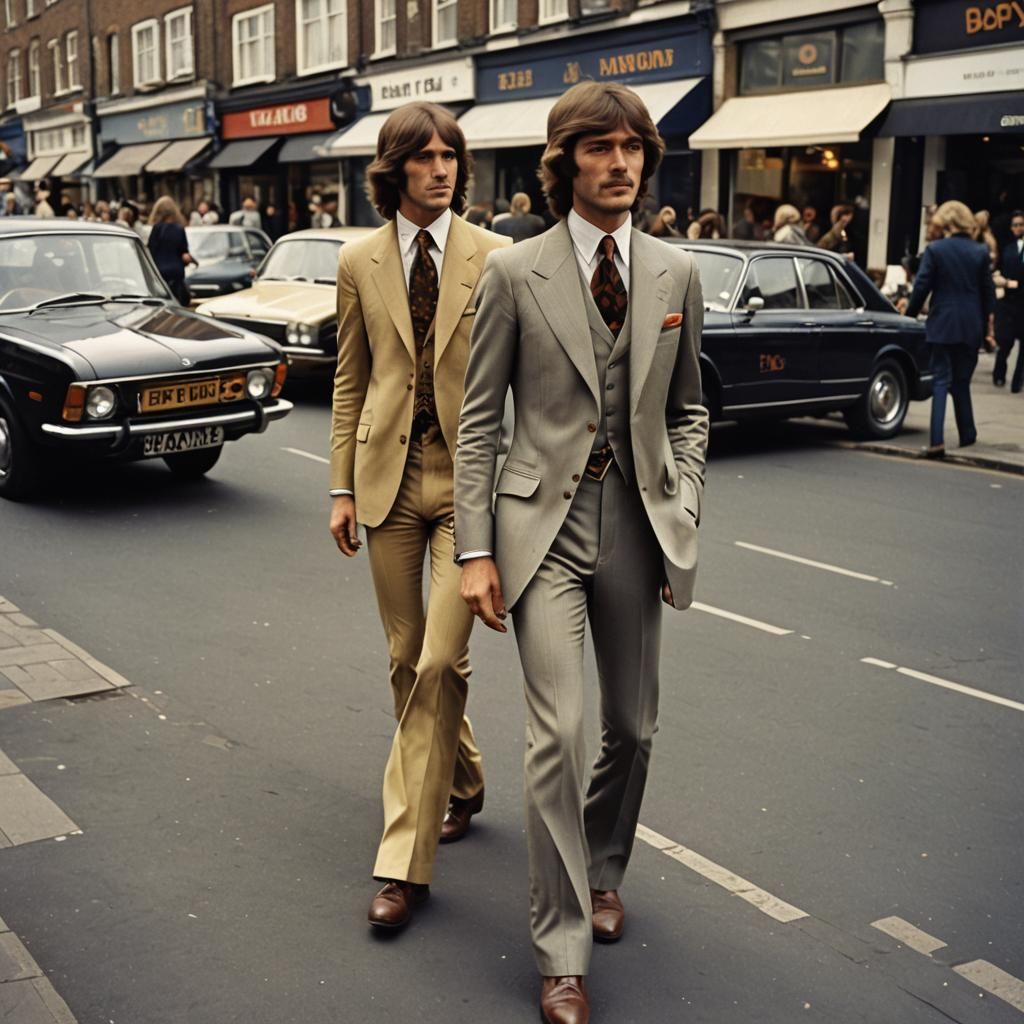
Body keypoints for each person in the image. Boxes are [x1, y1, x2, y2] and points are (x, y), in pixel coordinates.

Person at [455, 81, 708, 1024]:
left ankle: (605, 867)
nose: (621, 164)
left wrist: (685, 496)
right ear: (564, 163)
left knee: (633, 730)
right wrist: (476, 549)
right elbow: (480, 425)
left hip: (638, 526)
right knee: (556, 736)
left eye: (634, 148)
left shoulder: (676, 275)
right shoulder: (517, 273)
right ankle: (561, 949)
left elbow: (690, 410)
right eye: (600, 148)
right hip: (541, 532)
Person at [327, 102, 511, 932]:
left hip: (467, 489)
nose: (442, 169)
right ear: (394, 169)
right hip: (387, 485)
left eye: (451, 156)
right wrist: (339, 486)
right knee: (407, 660)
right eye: (425, 157)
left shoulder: (499, 257)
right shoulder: (358, 260)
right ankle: (462, 782)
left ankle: (403, 865)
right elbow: (349, 381)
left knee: (441, 659)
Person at [903, 201, 996, 457]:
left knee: (941, 379)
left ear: (949, 222)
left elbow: (922, 286)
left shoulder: (936, 250)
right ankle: (968, 434)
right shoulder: (980, 251)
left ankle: (936, 441)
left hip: (943, 323)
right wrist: (988, 326)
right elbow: (988, 293)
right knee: (962, 381)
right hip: (970, 325)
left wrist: (909, 315)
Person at [992, 209, 1024, 391]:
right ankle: (999, 374)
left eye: (1021, 224)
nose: (1018, 228)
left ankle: (1017, 381)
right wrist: (1002, 281)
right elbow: (999, 270)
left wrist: (1015, 284)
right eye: (1015, 225)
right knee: (1005, 342)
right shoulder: (1007, 248)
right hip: (1008, 302)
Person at [147, 196, 193, 305]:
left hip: (159, 273)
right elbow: (184, 251)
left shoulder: (156, 229)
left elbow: (151, 251)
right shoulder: (179, 229)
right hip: (176, 273)